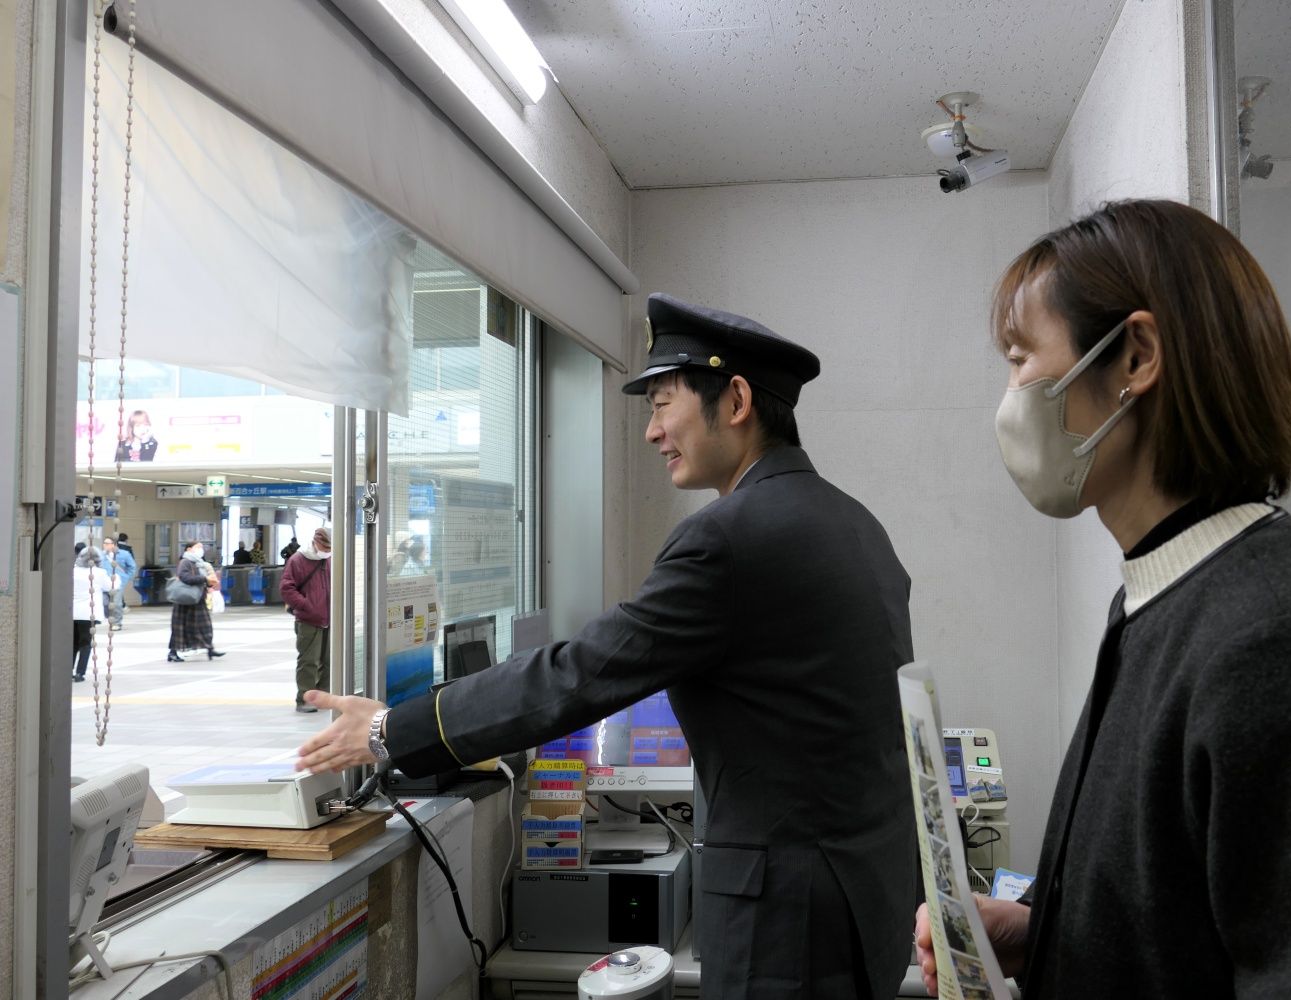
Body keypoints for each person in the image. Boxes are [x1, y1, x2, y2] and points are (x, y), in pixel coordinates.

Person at [913, 199, 1291, 998]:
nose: (1011, 393)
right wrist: (1044, 930)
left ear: (1134, 357)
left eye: (1021, 357)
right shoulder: (1171, 593)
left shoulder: (1274, 642)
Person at [297, 293, 921, 999]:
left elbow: (580, 674)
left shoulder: (726, 539)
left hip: (785, 916)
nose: (653, 431)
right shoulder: (856, 525)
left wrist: (390, 729)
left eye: (662, 403)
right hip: (867, 893)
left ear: (737, 399)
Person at [281, 527, 332, 713]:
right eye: (324, 547)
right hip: (308, 619)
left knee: (329, 660)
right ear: (315, 542)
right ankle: (304, 698)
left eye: (329, 548)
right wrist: (305, 605)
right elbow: (286, 588)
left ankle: (324, 696)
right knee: (308, 661)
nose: (326, 551)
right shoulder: (298, 559)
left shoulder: (331, 559)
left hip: (331, 618)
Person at [168, 541, 225, 662]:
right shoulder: (185, 562)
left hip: (198, 598)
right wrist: (204, 578)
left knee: (205, 625)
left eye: (202, 547)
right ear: (189, 549)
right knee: (180, 627)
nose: (201, 549)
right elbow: (184, 577)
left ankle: (210, 648)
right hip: (185, 599)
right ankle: (173, 652)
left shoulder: (200, 563)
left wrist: (208, 583)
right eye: (198, 547)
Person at [71, 547, 113, 682]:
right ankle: (80, 673)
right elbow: (111, 586)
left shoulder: (73, 571)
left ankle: (67, 670)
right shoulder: (100, 573)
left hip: (72, 613)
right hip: (89, 614)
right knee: (85, 643)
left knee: (73, 643)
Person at [101, 536, 136, 631]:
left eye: (107, 543)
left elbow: (132, 567)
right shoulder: (102, 555)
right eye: (104, 543)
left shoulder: (124, 554)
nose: (105, 545)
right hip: (105, 583)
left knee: (116, 603)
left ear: (114, 544)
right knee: (104, 602)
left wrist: (126, 578)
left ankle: (117, 622)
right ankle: (111, 618)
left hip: (118, 582)